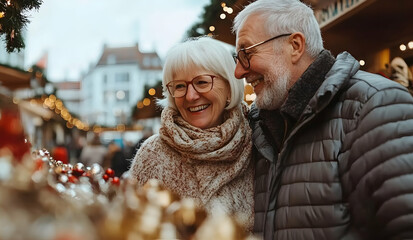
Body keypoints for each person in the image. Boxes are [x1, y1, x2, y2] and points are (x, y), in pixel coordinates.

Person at [232, 0, 413, 239]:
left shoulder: (375, 104)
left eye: (247, 53)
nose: (238, 71)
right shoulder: (259, 124)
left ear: (295, 46)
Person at [128, 37, 254, 231]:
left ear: (229, 87)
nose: (191, 96)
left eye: (202, 82)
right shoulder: (152, 155)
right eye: (179, 86)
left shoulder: (257, 143)